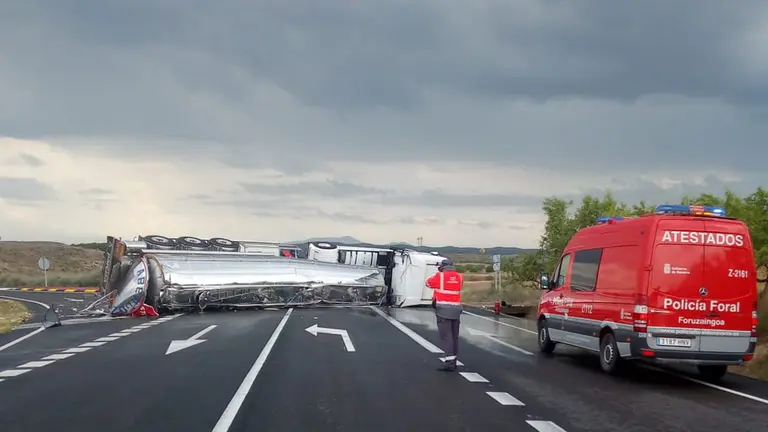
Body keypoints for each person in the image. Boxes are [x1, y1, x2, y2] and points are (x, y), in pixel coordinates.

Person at [425, 258, 464, 372]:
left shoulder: (439, 276)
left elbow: (428, 283)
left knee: (446, 336)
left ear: (442, 266)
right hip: (456, 310)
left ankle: (450, 362)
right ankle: (454, 360)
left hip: (443, 310)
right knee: (454, 336)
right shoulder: (460, 277)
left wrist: (439, 272)